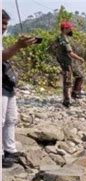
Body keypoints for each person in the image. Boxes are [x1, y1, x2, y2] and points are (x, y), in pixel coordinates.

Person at [2, 9, 37, 168]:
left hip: (7, 83)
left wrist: (18, 45)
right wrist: (17, 46)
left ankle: (10, 150)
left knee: (11, 119)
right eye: (1, 23)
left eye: (5, 24)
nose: (4, 27)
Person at [55, 21, 85, 108]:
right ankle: (66, 100)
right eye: (69, 28)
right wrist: (80, 58)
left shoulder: (60, 37)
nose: (70, 29)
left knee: (79, 75)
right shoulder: (63, 39)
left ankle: (75, 93)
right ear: (65, 29)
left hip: (67, 61)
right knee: (67, 81)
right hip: (66, 62)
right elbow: (70, 53)